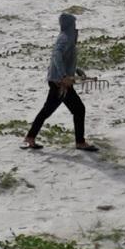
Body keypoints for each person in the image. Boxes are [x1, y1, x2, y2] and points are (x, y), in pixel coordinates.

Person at [22, 13, 99, 152]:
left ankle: (30, 137)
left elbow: (65, 59)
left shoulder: (66, 36)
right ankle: (80, 142)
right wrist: (64, 76)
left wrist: (76, 71)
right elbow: (56, 55)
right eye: (74, 24)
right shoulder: (65, 38)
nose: (75, 26)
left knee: (48, 110)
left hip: (57, 81)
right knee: (78, 109)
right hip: (60, 84)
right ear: (69, 25)